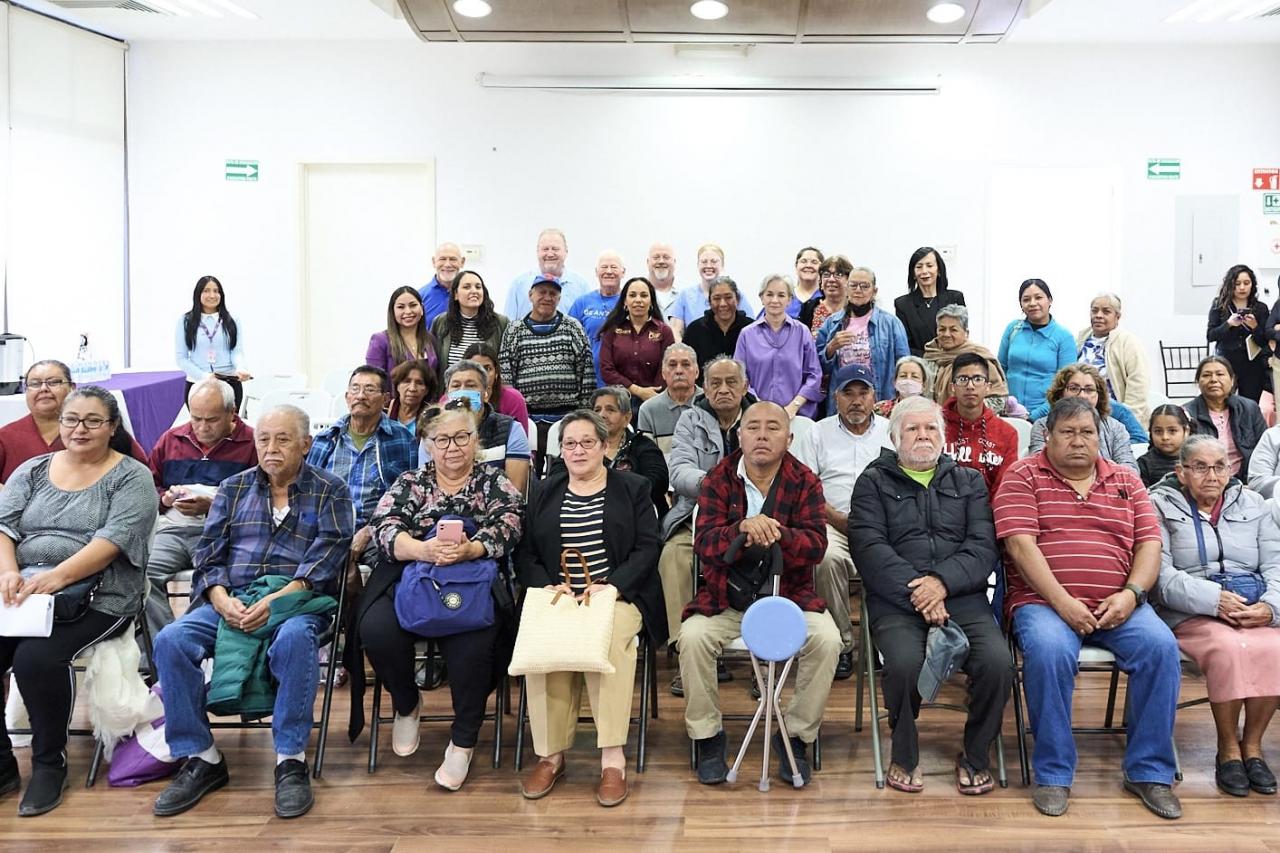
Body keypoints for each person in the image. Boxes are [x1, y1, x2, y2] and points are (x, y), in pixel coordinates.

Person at [150, 405, 354, 819]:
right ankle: (201, 756)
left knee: (295, 639)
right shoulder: (233, 489)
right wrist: (221, 599)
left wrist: (274, 601)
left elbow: (326, 561)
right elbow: (208, 556)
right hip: (233, 598)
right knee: (171, 640)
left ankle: (290, 759)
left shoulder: (330, 490)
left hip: (295, 600)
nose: (271, 448)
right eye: (263, 439)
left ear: (305, 444)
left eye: (283, 439)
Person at [994, 397, 1183, 820]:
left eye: (1087, 433)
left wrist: (1131, 594)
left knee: (1161, 648)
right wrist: (1063, 603)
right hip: (1044, 603)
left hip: (1121, 604)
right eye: (1068, 432)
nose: (1078, 441)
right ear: (1048, 436)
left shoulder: (1126, 480)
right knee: (1048, 652)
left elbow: (1149, 546)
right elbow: (1020, 547)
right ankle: (1054, 773)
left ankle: (1149, 772)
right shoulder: (1022, 476)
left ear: (1101, 437)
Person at [0, 386, 157, 816]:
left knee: (35, 659)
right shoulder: (33, 470)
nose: (79, 429)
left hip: (101, 594)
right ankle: (2, 763)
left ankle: (49, 764)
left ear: (112, 426)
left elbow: (112, 542)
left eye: (92, 421)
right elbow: (4, 527)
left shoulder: (132, 477)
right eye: (71, 419)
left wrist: (56, 578)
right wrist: (9, 572)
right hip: (26, 589)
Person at [352, 403, 522, 790]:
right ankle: (407, 703)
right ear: (428, 445)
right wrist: (421, 549)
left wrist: (472, 548)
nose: (452, 447)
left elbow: (512, 521)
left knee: (476, 645)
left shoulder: (491, 481)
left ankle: (463, 741)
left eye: (461, 437)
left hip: (472, 578)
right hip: (411, 574)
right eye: (442, 440)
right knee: (376, 630)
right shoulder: (412, 481)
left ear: (475, 441)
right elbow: (384, 525)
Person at [849, 396, 1012, 795]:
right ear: (894, 438)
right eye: (912, 428)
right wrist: (921, 592)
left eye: (930, 428)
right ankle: (904, 753)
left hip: (962, 597)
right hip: (897, 600)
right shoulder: (872, 482)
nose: (923, 435)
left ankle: (976, 755)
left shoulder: (969, 481)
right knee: (903, 664)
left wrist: (940, 583)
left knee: (998, 664)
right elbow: (869, 548)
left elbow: (983, 546)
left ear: (943, 436)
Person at [681, 401, 840, 786]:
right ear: (740, 435)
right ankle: (708, 737)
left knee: (827, 640)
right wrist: (741, 529)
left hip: (789, 597)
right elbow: (704, 544)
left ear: (789, 438)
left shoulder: (805, 481)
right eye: (753, 427)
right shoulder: (718, 478)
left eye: (773, 428)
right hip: (727, 597)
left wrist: (776, 533)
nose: (762, 435)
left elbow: (817, 546)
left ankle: (796, 736)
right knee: (693, 637)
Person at [516, 410, 664, 808]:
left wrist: (612, 586)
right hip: (560, 596)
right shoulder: (544, 490)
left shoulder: (632, 488)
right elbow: (526, 552)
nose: (578, 450)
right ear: (561, 450)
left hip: (618, 595)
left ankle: (612, 758)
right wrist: (546, 585)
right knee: (545, 643)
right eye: (570, 443)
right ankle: (551, 755)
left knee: (608, 639)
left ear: (604, 446)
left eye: (587, 442)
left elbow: (648, 547)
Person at [1150, 435, 1280, 798]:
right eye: (1201, 467)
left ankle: (1252, 746)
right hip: (1191, 609)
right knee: (1228, 648)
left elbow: (1275, 564)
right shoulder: (1158, 504)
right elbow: (1160, 576)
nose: (1212, 475)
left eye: (1220, 466)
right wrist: (1214, 601)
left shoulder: (1255, 504)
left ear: (1231, 469)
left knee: (1274, 648)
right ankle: (1227, 749)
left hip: (1251, 605)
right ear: (1181, 472)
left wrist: (1270, 607)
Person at [792, 363, 893, 679]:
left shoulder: (892, 431)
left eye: (863, 393)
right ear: (835, 397)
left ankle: (884, 642)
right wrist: (837, 519)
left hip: (884, 527)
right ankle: (841, 644)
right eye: (848, 393)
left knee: (901, 557)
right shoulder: (817, 432)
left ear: (874, 397)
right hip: (831, 522)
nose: (856, 401)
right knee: (825, 558)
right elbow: (805, 490)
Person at [662, 357, 753, 685]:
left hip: (752, 516)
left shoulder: (759, 417)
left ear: (745, 386)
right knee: (673, 556)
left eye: (731, 382)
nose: (723, 389)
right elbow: (679, 471)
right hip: (697, 514)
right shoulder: (690, 419)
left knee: (774, 552)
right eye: (715, 383)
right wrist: (718, 486)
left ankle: (765, 659)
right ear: (705, 387)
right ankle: (686, 654)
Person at [144, 378, 257, 640]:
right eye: (196, 418)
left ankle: (191, 642)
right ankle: (164, 645)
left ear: (232, 412)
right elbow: (148, 488)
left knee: (212, 581)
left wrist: (214, 506)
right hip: (172, 529)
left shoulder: (252, 442)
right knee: (141, 574)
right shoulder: (171, 439)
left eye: (212, 420)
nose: (202, 427)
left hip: (222, 533)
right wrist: (165, 499)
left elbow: (261, 499)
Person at [307, 366, 417, 565]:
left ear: (385, 399)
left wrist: (368, 531)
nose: (360, 396)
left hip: (378, 529)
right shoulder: (326, 439)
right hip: (328, 528)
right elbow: (307, 493)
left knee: (392, 565)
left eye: (369, 389)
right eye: (355, 389)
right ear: (347, 396)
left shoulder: (402, 439)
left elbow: (409, 497)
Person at [499, 276, 595, 467]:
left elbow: (587, 373)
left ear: (559, 298)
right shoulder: (514, 330)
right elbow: (506, 376)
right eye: (542, 292)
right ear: (530, 295)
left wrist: (583, 416)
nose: (547, 297)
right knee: (528, 474)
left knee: (563, 473)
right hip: (527, 419)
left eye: (553, 293)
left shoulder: (572, 327)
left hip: (566, 418)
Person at [0, 360, 147, 484]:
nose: (44, 389)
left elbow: (140, 472)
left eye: (54, 382)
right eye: (35, 384)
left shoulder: (98, 429)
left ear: (72, 388)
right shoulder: (6, 437)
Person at [551, 388, 668, 521]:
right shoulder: (579, 448)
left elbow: (658, 481)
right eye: (597, 410)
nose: (602, 415)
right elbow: (556, 477)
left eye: (610, 410)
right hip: (582, 512)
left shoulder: (642, 445)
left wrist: (614, 496)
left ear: (627, 418)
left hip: (636, 513)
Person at [815, 265, 910, 409]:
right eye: (853, 285)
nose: (858, 290)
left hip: (881, 400)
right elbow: (817, 368)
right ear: (846, 288)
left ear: (874, 291)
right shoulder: (831, 324)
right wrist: (831, 348)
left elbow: (904, 365)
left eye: (864, 286)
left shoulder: (891, 323)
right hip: (842, 401)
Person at [436, 360, 531, 496]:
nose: (462, 391)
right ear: (447, 394)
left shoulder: (512, 430)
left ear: (486, 393)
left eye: (470, 385)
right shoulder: (433, 432)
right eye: (456, 386)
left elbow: (514, 492)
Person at [734, 274, 823, 419]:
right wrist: (760, 405)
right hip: (757, 413)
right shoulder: (747, 334)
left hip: (797, 415)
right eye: (769, 294)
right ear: (761, 298)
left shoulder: (802, 332)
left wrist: (793, 406)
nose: (775, 300)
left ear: (789, 300)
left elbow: (814, 375)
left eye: (781, 295)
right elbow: (739, 376)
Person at [1027, 365, 1138, 470]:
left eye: (1089, 390)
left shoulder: (1115, 428)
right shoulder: (1043, 426)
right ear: (1060, 393)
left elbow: (1130, 469)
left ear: (1099, 395)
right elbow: (1036, 466)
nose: (1082, 396)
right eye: (1074, 388)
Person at [998, 279, 1077, 421]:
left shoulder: (1064, 336)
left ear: (1050, 300)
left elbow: (1066, 384)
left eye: (1038, 297)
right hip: (1009, 413)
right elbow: (999, 371)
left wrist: (1034, 416)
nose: (1032, 303)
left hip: (1047, 416)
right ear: (1021, 304)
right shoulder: (1012, 329)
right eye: (1026, 299)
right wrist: (1004, 404)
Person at [942, 352, 1020, 495]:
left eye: (977, 379)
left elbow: (1004, 487)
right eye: (963, 379)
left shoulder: (1007, 433)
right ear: (953, 387)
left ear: (988, 387)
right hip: (942, 505)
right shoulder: (935, 427)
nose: (970, 386)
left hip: (989, 506)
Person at [924, 304, 1020, 415]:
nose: (946, 334)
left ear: (966, 333)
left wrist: (968, 410)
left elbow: (998, 399)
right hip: (931, 421)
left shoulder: (980, 358)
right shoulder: (930, 355)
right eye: (942, 329)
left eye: (953, 330)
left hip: (970, 422)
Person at [175, 276, 251, 410]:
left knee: (230, 422)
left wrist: (241, 368)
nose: (212, 295)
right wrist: (205, 376)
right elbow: (181, 358)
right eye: (206, 291)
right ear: (198, 294)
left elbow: (236, 351)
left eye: (216, 291)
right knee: (202, 423)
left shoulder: (232, 319)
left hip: (229, 383)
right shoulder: (185, 320)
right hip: (198, 384)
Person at [1185, 356, 1267, 478]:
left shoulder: (1250, 408)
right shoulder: (1187, 413)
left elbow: (1264, 448)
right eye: (1206, 375)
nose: (1213, 379)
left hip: (1246, 479)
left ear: (1232, 380)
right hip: (1205, 480)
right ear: (1198, 382)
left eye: (1220, 374)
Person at [1076, 294, 1152, 424]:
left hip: (1116, 416)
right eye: (1094, 311)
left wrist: (1128, 419)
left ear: (1117, 317)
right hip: (1080, 412)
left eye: (1106, 312)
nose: (1098, 315)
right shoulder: (1081, 338)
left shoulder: (1128, 342)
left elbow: (1138, 383)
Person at [599, 277, 676, 404]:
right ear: (625, 301)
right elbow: (606, 369)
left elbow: (668, 366)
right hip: (618, 401)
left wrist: (653, 395)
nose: (638, 300)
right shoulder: (612, 331)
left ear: (651, 301)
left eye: (644, 295)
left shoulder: (664, 332)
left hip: (655, 399)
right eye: (632, 295)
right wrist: (637, 391)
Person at [1207, 264, 1270, 403]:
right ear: (1230, 284)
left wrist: (1255, 327)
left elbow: (1265, 342)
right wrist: (1228, 324)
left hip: (1252, 365)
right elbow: (1211, 335)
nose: (1242, 287)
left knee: (1249, 404)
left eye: (1246, 283)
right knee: (1223, 402)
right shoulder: (1220, 305)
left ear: (1252, 285)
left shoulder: (1260, 308)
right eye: (1237, 283)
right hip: (1226, 362)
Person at [503, 228, 593, 321]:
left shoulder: (581, 286)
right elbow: (509, 323)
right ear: (537, 252)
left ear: (566, 251)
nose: (550, 254)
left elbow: (588, 323)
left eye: (555, 249)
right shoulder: (519, 285)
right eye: (545, 249)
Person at [430, 270, 509, 375]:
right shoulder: (440, 322)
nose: (474, 291)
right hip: (449, 385)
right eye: (467, 287)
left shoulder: (501, 323)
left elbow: (506, 364)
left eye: (478, 287)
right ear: (456, 294)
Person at [894, 247, 966, 358]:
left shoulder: (955, 298)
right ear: (913, 273)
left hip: (953, 361)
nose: (924, 271)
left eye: (929, 265)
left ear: (939, 270)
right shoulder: (903, 304)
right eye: (919, 267)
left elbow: (962, 335)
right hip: (921, 363)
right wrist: (932, 357)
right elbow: (904, 345)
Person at [570, 250, 626, 385]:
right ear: (596, 272)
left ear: (623, 272)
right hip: (588, 379)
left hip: (622, 379)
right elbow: (569, 338)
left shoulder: (629, 303)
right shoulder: (582, 303)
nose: (609, 271)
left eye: (614, 267)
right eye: (604, 267)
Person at [636, 343, 701, 453]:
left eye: (686, 364)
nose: (679, 371)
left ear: (697, 372)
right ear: (663, 373)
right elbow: (648, 456)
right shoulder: (648, 410)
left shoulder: (710, 403)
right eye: (672, 365)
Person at [682, 276, 753, 375]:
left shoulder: (751, 329)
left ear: (737, 299)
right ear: (709, 302)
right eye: (717, 298)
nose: (723, 304)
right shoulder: (694, 330)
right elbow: (686, 366)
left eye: (728, 297)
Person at [366, 286, 438, 382]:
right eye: (401, 307)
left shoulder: (430, 338)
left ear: (421, 308)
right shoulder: (380, 340)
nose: (408, 311)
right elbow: (374, 380)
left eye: (413, 305)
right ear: (393, 311)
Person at [463, 342, 529, 434]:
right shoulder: (450, 398)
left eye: (487, 369)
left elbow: (520, 438)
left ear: (496, 373)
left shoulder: (514, 399)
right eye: (475, 369)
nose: (482, 375)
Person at [1140, 405, 1193, 488]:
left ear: (1186, 431)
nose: (1165, 437)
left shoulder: (1197, 458)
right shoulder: (1144, 464)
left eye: (1172, 431)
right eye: (1158, 431)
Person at [799, 254, 852, 335]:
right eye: (826, 275)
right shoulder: (808, 308)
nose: (831, 279)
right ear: (820, 281)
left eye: (838, 274)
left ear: (849, 280)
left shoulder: (856, 308)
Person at [417, 242, 465, 329]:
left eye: (453, 259)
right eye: (442, 259)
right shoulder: (419, 297)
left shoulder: (471, 295)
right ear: (434, 262)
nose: (447, 264)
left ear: (462, 262)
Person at [387, 359, 437, 436]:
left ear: (426, 390)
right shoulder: (384, 411)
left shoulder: (432, 417)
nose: (412, 388)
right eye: (407, 381)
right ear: (397, 386)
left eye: (419, 383)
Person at [646, 242, 681, 319]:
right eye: (656, 257)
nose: (661, 261)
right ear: (648, 262)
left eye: (666, 257)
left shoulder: (685, 293)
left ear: (674, 262)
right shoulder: (638, 293)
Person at [790, 246, 825, 318]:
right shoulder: (785, 297)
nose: (808, 265)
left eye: (814, 262)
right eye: (803, 261)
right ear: (796, 266)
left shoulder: (827, 298)